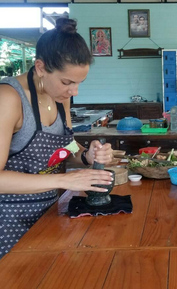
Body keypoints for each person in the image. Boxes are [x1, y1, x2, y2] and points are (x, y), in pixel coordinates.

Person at [0, 18, 114, 259]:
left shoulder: (60, 96)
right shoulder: (9, 99)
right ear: (40, 67)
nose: (74, 91)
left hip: (49, 214)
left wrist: (85, 154)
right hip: (8, 223)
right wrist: (65, 181)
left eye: (79, 83)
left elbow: (65, 146)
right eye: (67, 82)